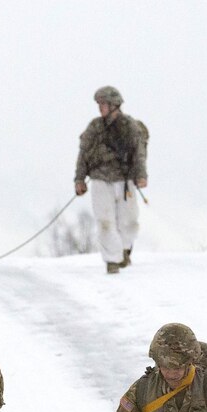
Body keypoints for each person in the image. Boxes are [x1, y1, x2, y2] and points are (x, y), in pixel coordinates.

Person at [74, 85, 148, 274]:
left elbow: (139, 153)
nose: (100, 107)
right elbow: (83, 154)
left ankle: (124, 250)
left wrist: (141, 175)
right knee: (105, 221)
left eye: (104, 103)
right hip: (100, 179)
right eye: (99, 103)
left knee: (129, 221)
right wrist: (79, 179)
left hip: (125, 180)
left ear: (114, 104)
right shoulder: (95, 127)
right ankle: (112, 261)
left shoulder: (130, 126)